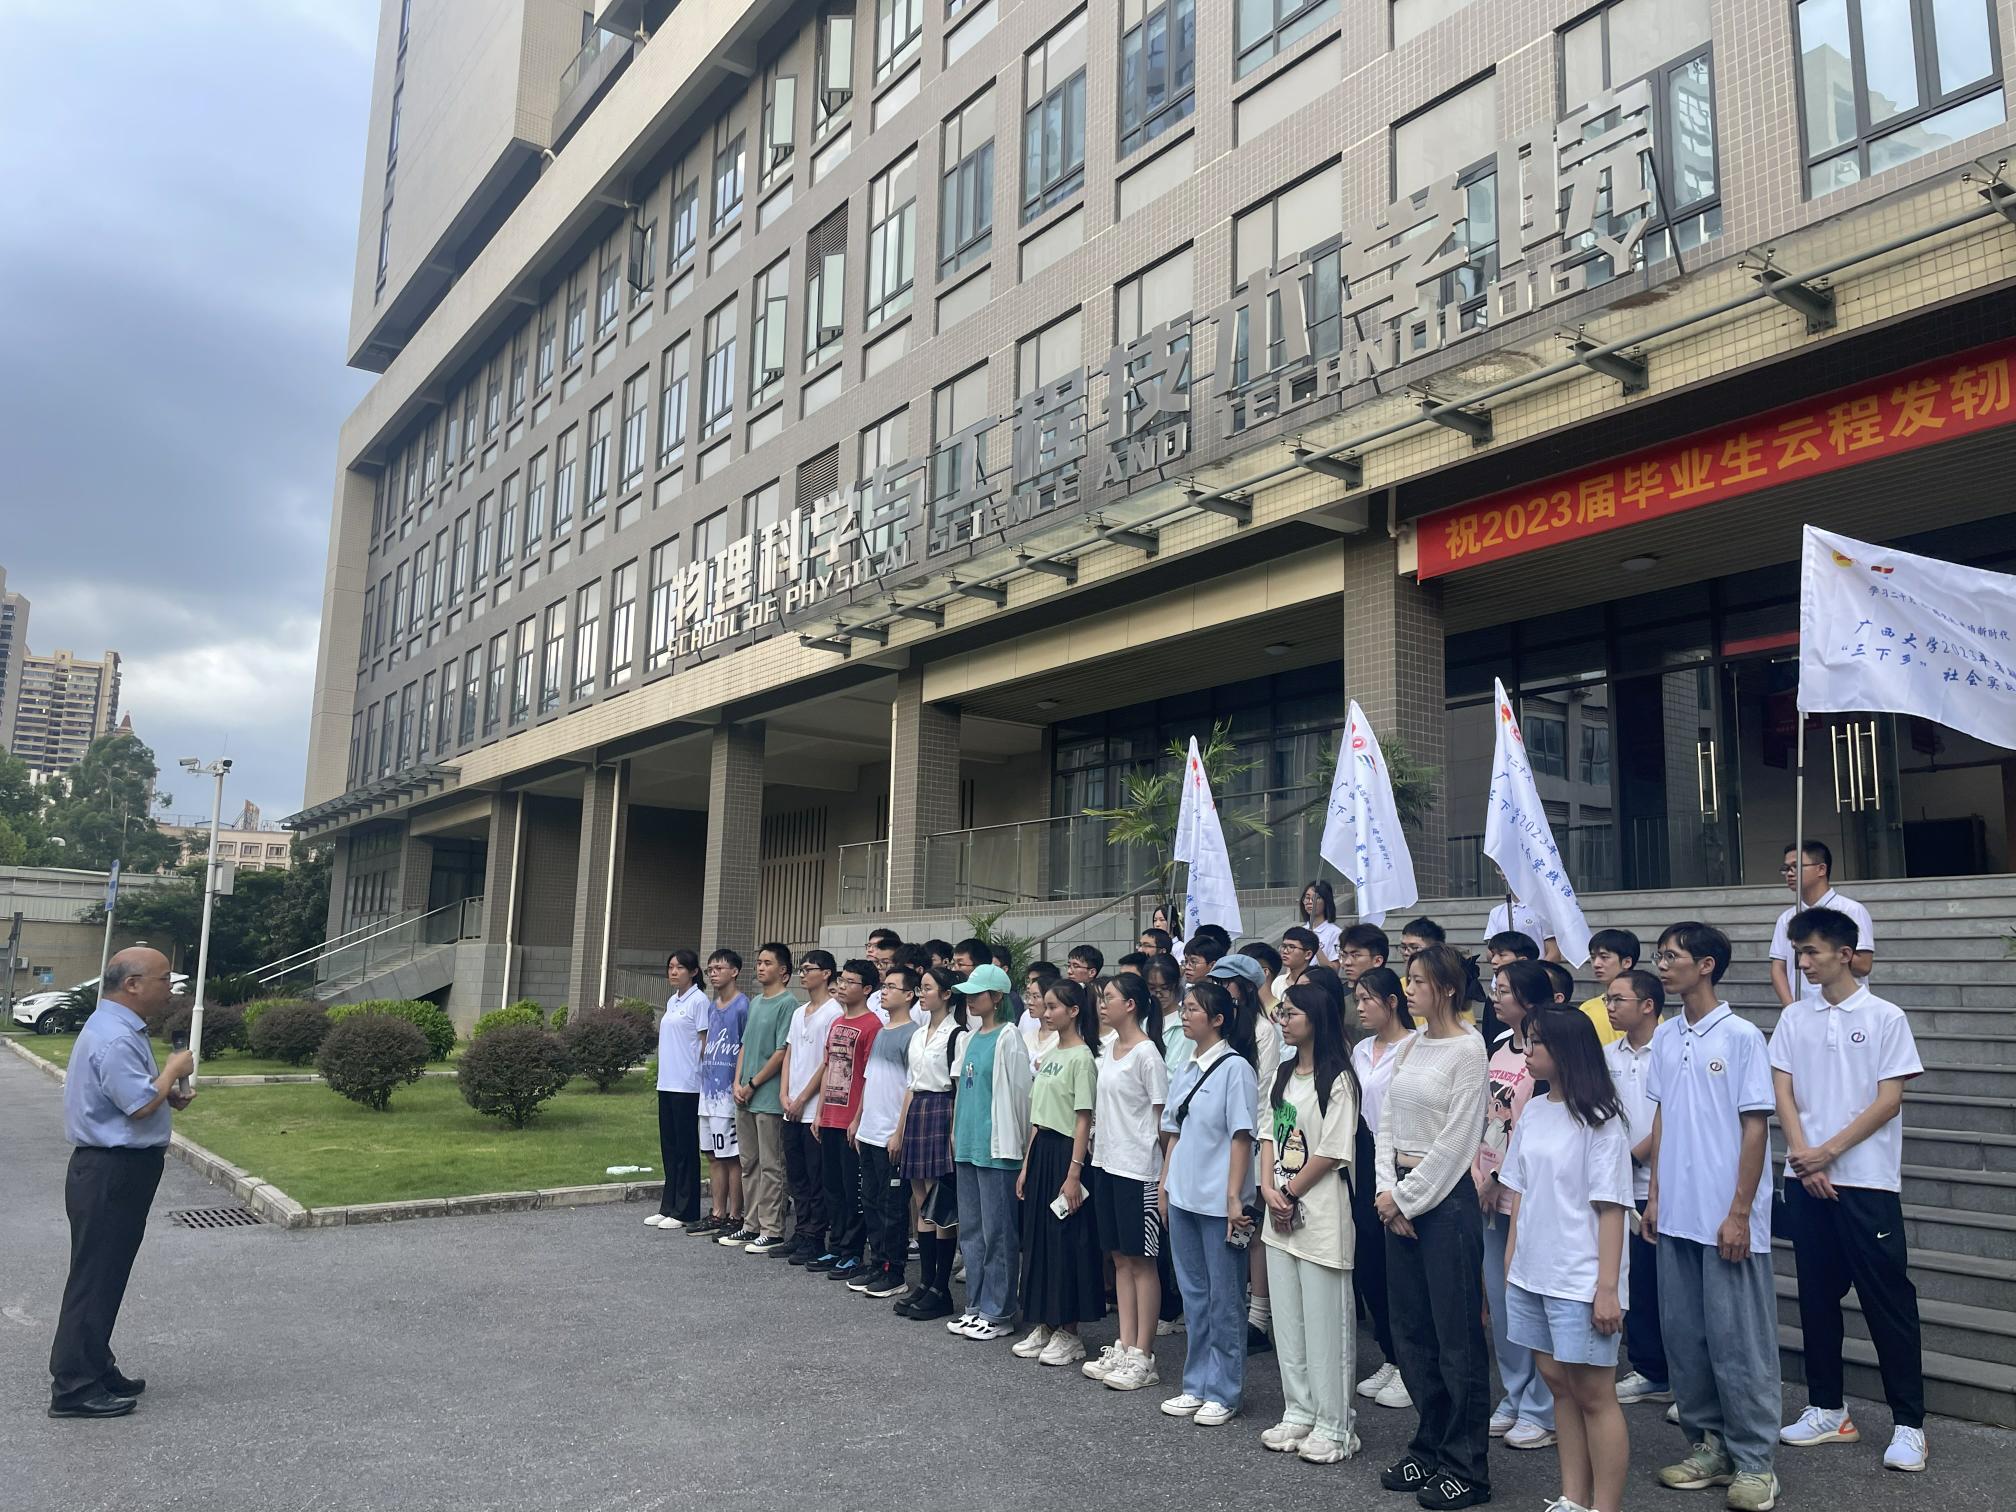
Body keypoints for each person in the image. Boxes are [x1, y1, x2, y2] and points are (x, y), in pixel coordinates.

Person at [1771, 907, 1926, 1472]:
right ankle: (1827, 1408)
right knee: (1815, 1298)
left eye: (1811, 952)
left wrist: (1828, 1153)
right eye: (1798, 953)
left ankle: (1909, 1424)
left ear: (1845, 953)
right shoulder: (1795, 1018)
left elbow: (1889, 1101)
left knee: (1888, 1302)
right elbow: (1783, 1091)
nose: (1803, 963)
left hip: (1867, 1182)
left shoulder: (1885, 1016)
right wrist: (1804, 1158)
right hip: (1805, 1180)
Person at [1645, 922, 1780, 1512]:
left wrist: (1740, 1212)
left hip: (1727, 1218)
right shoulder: (1666, 1036)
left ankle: (1756, 1463)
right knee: (1687, 1340)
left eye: (1672, 956)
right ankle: (1710, 1447)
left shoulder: (1742, 1036)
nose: (1662, 964)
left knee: (1739, 1345)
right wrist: (1654, 1196)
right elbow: (1662, 1118)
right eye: (1659, 955)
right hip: (1676, 1214)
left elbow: (1756, 1125)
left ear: (1705, 965)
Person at [47, 947, 195, 1420]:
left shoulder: (116, 1028)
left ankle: (95, 1365)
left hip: (114, 1170)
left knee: (106, 1274)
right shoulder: (114, 1036)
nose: (170, 987)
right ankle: (73, 1387)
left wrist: (165, 1092)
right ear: (132, 984)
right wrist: (172, 1072)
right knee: (95, 1279)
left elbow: (133, 1095)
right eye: (164, 979)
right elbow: (137, 1106)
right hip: (111, 1171)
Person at [1503, 1008, 1635, 1512]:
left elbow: (1611, 1208)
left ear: (1566, 1050)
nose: (1527, 1050)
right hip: (1533, 1273)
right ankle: (1573, 1498)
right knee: (1559, 1386)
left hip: (1579, 1278)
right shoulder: (1535, 1109)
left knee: (1594, 1394)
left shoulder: (1600, 1120)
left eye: (1537, 1042)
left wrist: (1608, 1289)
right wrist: (1512, 1264)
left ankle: (1606, 1507)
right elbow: (1520, 1193)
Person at [1375, 944, 1492, 1512]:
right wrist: (1386, 1192)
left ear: (1447, 988)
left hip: (1444, 1202)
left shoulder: (1470, 1049)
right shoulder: (1412, 1044)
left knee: (1456, 1338)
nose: (1410, 988)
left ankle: (1466, 1465)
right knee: (1413, 1332)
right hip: (1398, 1196)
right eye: (1409, 979)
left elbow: (1458, 1141)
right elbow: (1387, 1123)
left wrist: (1404, 1199)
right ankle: (1430, 1442)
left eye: (1419, 980)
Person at [1258, 982, 1364, 1464]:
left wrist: (1288, 1192)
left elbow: (1333, 1149)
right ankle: (1298, 1410)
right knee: (1289, 1323)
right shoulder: (1283, 1073)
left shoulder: (1338, 1078)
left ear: (1317, 1019)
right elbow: (1267, 1135)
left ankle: (1335, 1425)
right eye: (1281, 1012)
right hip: (1278, 1212)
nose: (1283, 1020)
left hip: (1320, 1214)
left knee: (1326, 1325)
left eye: (1292, 1014)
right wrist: (1267, 1188)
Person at [1159, 979, 1260, 1427]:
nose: (1185, 1015)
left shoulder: (1236, 1068)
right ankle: (1196, 1382)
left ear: (1218, 1019)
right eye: (1184, 1007)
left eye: (1194, 1009)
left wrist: (1235, 1197)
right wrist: (1165, 1184)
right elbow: (1174, 1132)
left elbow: (1242, 1136)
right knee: (1195, 1296)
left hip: (1220, 1201)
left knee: (1225, 1299)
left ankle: (1224, 1389)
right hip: (1184, 1194)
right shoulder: (1186, 1066)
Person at [1477, 960, 1556, 1452]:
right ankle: (1514, 1391)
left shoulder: (1550, 1053)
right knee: (1502, 1300)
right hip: (1486, 1189)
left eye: (1504, 990)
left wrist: (1497, 1178)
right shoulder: (1498, 1047)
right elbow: (1487, 1115)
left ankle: (1542, 1407)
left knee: (1532, 1301)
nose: (1495, 996)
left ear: (1528, 998)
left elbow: (1536, 1128)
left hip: (1522, 1191)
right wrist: (1478, 1171)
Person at [1014, 979, 1105, 1366]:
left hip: (1068, 1152)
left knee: (1066, 1240)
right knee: (1039, 1237)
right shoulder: (1052, 1052)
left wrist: (1074, 1172)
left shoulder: (1082, 1058)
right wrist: (1026, 1165)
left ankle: (1069, 1330)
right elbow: (1038, 1116)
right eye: (1045, 1006)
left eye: (1053, 1007)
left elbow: (1083, 1118)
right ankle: (1045, 1322)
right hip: (1043, 1150)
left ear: (1074, 1010)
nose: (1046, 1012)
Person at [1088, 973, 1169, 1391]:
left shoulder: (1147, 1054)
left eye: (1110, 998)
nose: (1103, 1005)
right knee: (1120, 1258)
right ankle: (1124, 1343)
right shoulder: (1107, 1049)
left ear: (1131, 1004)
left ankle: (1143, 1355)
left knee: (1142, 1261)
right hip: (1106, 1163)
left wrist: (1164, 1176)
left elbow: (1162, 1120)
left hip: (1139, 1170)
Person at [949, 964, 1031, 1341]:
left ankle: (999, 1310)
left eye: (977, 993)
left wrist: (1020, 1147)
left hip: (997, 1147)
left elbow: (1020, 1094)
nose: (970, 999)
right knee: (971, 1231)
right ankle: (976, 1305)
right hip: (967, 1144)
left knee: (998, 1231)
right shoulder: (968, 1038)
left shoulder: (1009, 1036)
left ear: (997, 997)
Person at [1603, 968, 1671, 1406]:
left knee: (1666, 1285)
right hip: (1618, 1184)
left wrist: (1635, 1156)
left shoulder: (1670, 1050)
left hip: (1659, 1181)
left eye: (1618, 1000)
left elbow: (1671, 1114)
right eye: (1607, 1000)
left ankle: (1680, 1373)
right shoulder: (1607, 1054)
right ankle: (1650, 1370)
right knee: (1636, 1283)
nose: (1609, 1007)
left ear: (1648, 1005)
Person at [1350, 966, 1416, 1412]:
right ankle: (1392, 1356)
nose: (1359, 1008)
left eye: (1367, 1000)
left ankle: (1412, 1366)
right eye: (1356, 999)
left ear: (1392, 1002)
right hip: (1365, 1160)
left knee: (1403, 1269)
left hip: (1402, 1162)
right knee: (1370, 1265)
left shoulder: (1415, 1047)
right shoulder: (1360, 1050)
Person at [1211, 952, 1279, 1353]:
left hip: (1251, 1139)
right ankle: (1234, 1309)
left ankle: (1259, 1317)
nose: (1221, 989)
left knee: (1251, 1230)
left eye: (1227, 982)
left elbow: (1264, 1092)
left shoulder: (1263, 1031)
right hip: (1220, 1139)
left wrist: (1253, 1140)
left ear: (1246, 988)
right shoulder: (1223, 1026)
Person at [894, 964, 966, 1320]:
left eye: (927, 988)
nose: (922, 994)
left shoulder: (958, 1035)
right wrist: (899, 1130)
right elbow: (911, 1084)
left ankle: (941, 1287)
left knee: (941, 1205)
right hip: (919, 1108)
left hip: (942, 1109)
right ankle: (925, 1282)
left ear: (946, 994)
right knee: (921, 1200)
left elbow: (958, 1088)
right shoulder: (919, 1033)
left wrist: (954, 1130)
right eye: (920, 988)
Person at [849, 961, 918, 1299]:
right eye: (884, 986)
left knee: (892, 1206)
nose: (884, 992)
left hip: (891, 1133)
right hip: (869, 1130)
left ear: (909, 994)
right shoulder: (882, 1031)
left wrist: (899, 1132)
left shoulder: (913, 1035)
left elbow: (911, 1088)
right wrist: (857, 1119)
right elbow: (868, 1079)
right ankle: (877, 1262)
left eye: (891, 987)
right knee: (871, 1201)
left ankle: (894, 1270)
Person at [814, 960, 882, 1283]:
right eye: (841, 980)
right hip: (829, 1115)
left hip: (851, 1120)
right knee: (832, 1187)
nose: (842, 986)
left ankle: (853, 1251)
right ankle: (837, 1245)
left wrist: (857, 1118)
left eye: (850, 982)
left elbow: (869, 1076)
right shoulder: (837, 1022)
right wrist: (819, 1112)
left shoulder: (872, 1026)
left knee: (851, 1188)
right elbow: (828, 1066)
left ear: (867, 989)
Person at [730, 942, 797, 1255]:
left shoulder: (788, 1004)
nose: (760, 967)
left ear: (783, 971)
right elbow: (744, 1046)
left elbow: (781, 1052)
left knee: (772, 1165)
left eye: (767, 963)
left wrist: (753, 1083)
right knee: (749, 1163)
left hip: (767, 1097)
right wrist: (737, 1082)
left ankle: (772, 1228)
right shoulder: (756, 1002)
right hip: (744, 1095)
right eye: (759, 962)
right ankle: (751, 1223)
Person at [780, 950, 843, 1267]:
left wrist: (804, 1097)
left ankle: (815, 1235)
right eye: (801, 969)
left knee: (816, 1176)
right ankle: (801, 1231)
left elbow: (827, 1061)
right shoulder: (798, 1012)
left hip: (813, 1107)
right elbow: (789, 1053)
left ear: (827, 973)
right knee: (797, 1176)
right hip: (790, 1106)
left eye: (809, 969)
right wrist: (784, 1092)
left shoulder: (834, 1012)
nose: (803, 974)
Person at [1768, 841, 1875, 1006]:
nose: (1789, 873)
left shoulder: (1850, 910)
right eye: (1786, 868)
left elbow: (1864, 965)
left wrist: (1826, 951)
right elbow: (1778, 967)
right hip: (1803, 1007)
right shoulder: (1786, 918)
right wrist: (1789, 1006)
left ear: (1821, 869)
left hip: (1846, 1005)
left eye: (1796, 866)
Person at [649, 949, 708, 1231]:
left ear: (693, 972)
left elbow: (704, 1043)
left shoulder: (699, 1001)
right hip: (667, 1082)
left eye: (680, 967)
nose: (674, 972)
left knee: (685, 1148)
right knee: (670, 1147)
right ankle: (669, 1205)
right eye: (670, 966)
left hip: (687, 1085)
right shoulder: (673, 1001)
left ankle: (686, 1210)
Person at [694, 949, 750, 1238]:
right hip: (708, 1093)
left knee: (732, 1157)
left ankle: (735, 1214)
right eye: (710, 969)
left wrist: (739, 1083)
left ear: (734, 971)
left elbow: (745, 1047)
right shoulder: (712, 1006)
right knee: (713, 1155)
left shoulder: (742, 1006)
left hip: (728, 1096)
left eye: (719, 968)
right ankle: (717, 1211)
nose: (713, 973)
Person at [1578, 929, 1635, 1047]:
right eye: (1593, 957)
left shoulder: (1643, 1008)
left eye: (1604, 957)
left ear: (1627, 962)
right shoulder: (1587, 1008)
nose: (1596, 964)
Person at [1487, 878, 1562, 964]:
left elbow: (1554, 954)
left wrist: (1531, 970)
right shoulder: (1496, 912)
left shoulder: (1542, 910)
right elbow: (1490, 953)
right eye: (1501, 872)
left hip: (1533, 970)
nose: (1504, 875)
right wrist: (1503, 957)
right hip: (1503, 972)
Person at [1019, 961, 1061, 1068]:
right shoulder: (1027, 1036)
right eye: (1029, 996)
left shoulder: (1061, 1039)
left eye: (1036, 996)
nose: (1030, 1002)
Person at [1298, 880, 1343, 964]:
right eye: (1307, 898)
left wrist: (1314, 943)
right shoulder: (1300, 932)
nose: (1310, 902)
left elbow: (1334, 969)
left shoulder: (1335, 933)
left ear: (1326, 901)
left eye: (1316, 898)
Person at [1338, 923, 1389, 990]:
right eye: (1344, 955)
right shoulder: (1337, 993)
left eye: (1355, 955)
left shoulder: (1389, 992)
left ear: (1377, 961)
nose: (1347, 962)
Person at [1275, 925, 1319, 1001]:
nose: (1285, 951)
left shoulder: (1316, 986)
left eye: (1291, 947)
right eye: (1284, 946)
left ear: (1308, 954)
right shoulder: (1278, 982)